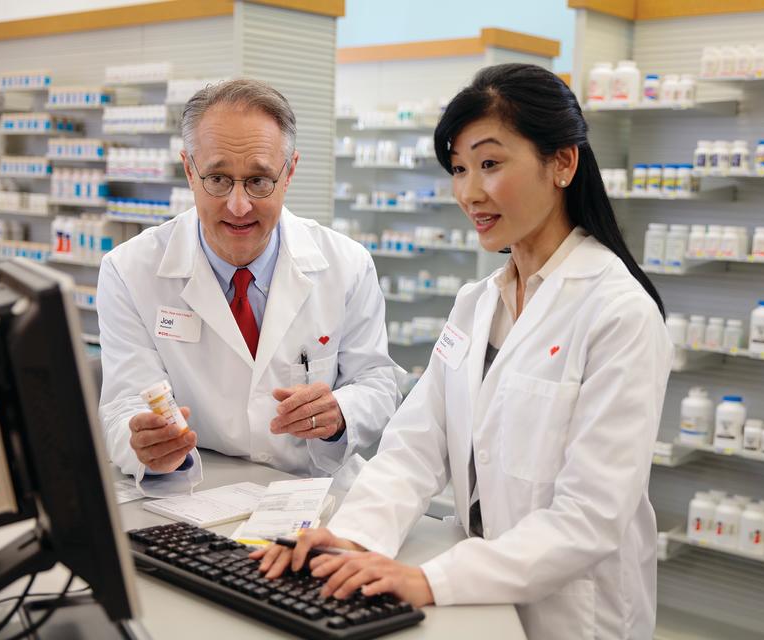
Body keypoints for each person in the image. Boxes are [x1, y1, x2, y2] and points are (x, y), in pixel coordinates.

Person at [254, 63, 672, 640]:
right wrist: (353, 538)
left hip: (574, 616)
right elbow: (415, 448)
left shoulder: (618, 312)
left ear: (563, 163)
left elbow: (591, 517)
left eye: (490, 164)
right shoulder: (478, 304)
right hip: (479, 599)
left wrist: (428, 581)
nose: (469, 192)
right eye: (458, 169)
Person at [98, 79, 401, 495]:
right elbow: (123, 403)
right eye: (218, 179)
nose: (238, 206)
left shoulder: (346, 264)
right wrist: (144, 444)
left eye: (259, 181)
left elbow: (377, 381)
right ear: (189, 170)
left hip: (313, 491)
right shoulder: (130, 270)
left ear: (289, 172)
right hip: (197, 491)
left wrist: (341, 413)